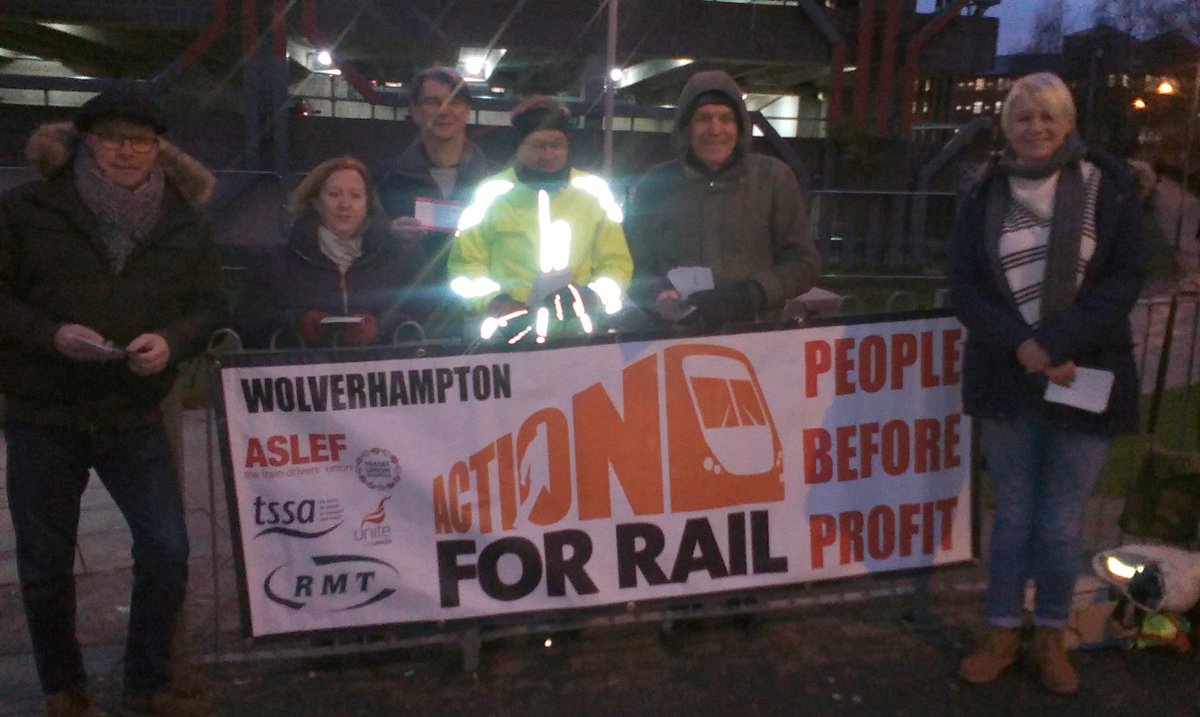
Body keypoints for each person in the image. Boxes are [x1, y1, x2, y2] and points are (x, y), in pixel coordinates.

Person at [0, 91, 223, 716]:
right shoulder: (26, 209)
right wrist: (51, 336)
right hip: (44, 412)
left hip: (132, 411)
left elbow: (209, 304)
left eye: (142, 139)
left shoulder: (183, 221)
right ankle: (63, 689)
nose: (128, 150)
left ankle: (146, 684)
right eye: (113, 137)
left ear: (159, 148)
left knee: (167, 548)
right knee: (44, 565)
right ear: (86, 141)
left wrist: (172, 341)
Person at [948, 72, 1147, 695]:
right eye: (1022, 117)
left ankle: (1052, 634)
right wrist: (1025, 348)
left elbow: (1124, 279)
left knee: (1061, 521)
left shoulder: (1104, 188)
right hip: (1008, 376)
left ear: (1068, 123)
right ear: (1006, 125)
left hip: (1084, 373)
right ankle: (1003, 629)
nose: (1034, 128)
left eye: (1047, 117)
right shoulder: (984, 191)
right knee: (1012, 517)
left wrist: (1055, 345)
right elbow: (966, 288)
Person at [624, 70, 821, 330]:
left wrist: (752, 294)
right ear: (686, 127)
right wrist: (657, 293)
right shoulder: (655, 185)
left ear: (740, 128)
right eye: (703, 119)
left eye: (726, 119)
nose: (715, 130)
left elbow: (803, 263)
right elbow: (633, 262)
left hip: (756, 334)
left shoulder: (773, 179)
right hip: (674, 337)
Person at [447, 96, 632, 336]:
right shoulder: (490, 194)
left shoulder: (594, 192)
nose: (547, 155)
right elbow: (465, 267)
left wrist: (592, 296)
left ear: (567, 146)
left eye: (556, 145)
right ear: (518, 146)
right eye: (536, 145)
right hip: (508, 335)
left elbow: (617, 263)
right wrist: (497, 304)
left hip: (580, 337)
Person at [238, 156, 428, 348]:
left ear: (367, 204)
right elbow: (248, 323)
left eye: (355, 195)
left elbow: (426, 316)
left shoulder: (402, 256)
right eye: (334, 194)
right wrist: (297, 323)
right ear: (315, 201)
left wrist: (380, 328)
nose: (345, 204)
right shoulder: (274, 261)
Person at [377, 67, 496, 330]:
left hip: (480, 314)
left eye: (454, 101)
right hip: (409, 315)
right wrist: (387, 231)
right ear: (416, 112)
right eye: (433, 102)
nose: (445, 111)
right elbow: (356, 235)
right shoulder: (385, 177)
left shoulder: (495, 180)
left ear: (467, 112)